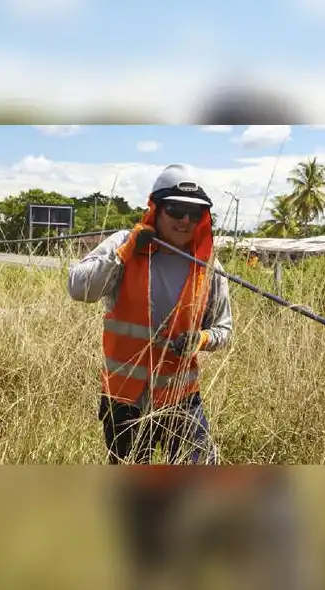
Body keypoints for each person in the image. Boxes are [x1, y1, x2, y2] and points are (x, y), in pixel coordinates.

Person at [68, 164, 233, 465]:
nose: (185, 220)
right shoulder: (124, 244)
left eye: (194, 214)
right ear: (156, 208)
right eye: (176, 210)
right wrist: (125, 252)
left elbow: (225, 330)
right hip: (124, 398)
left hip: (181, 399)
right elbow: (79, 288)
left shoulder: (208, 266)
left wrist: (203, 338)